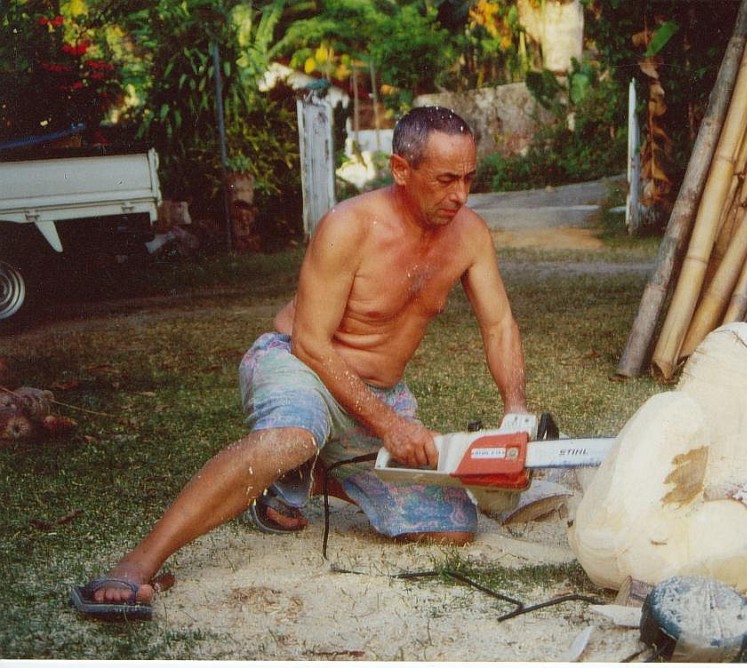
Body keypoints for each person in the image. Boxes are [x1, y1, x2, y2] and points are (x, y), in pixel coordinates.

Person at [71, 106, 528, 620]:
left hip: (379, 392)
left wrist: (516, 413)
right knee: (294, 436)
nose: (460, 195)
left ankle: (299, 481)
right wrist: (391, 426)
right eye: (446, 180)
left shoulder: (470, 235)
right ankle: (138, 564)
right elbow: (310, 342)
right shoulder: (348, 227)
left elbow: (499, 325)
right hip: (298, 363)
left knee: (452, 527)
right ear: (402, 169)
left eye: (469, 178)